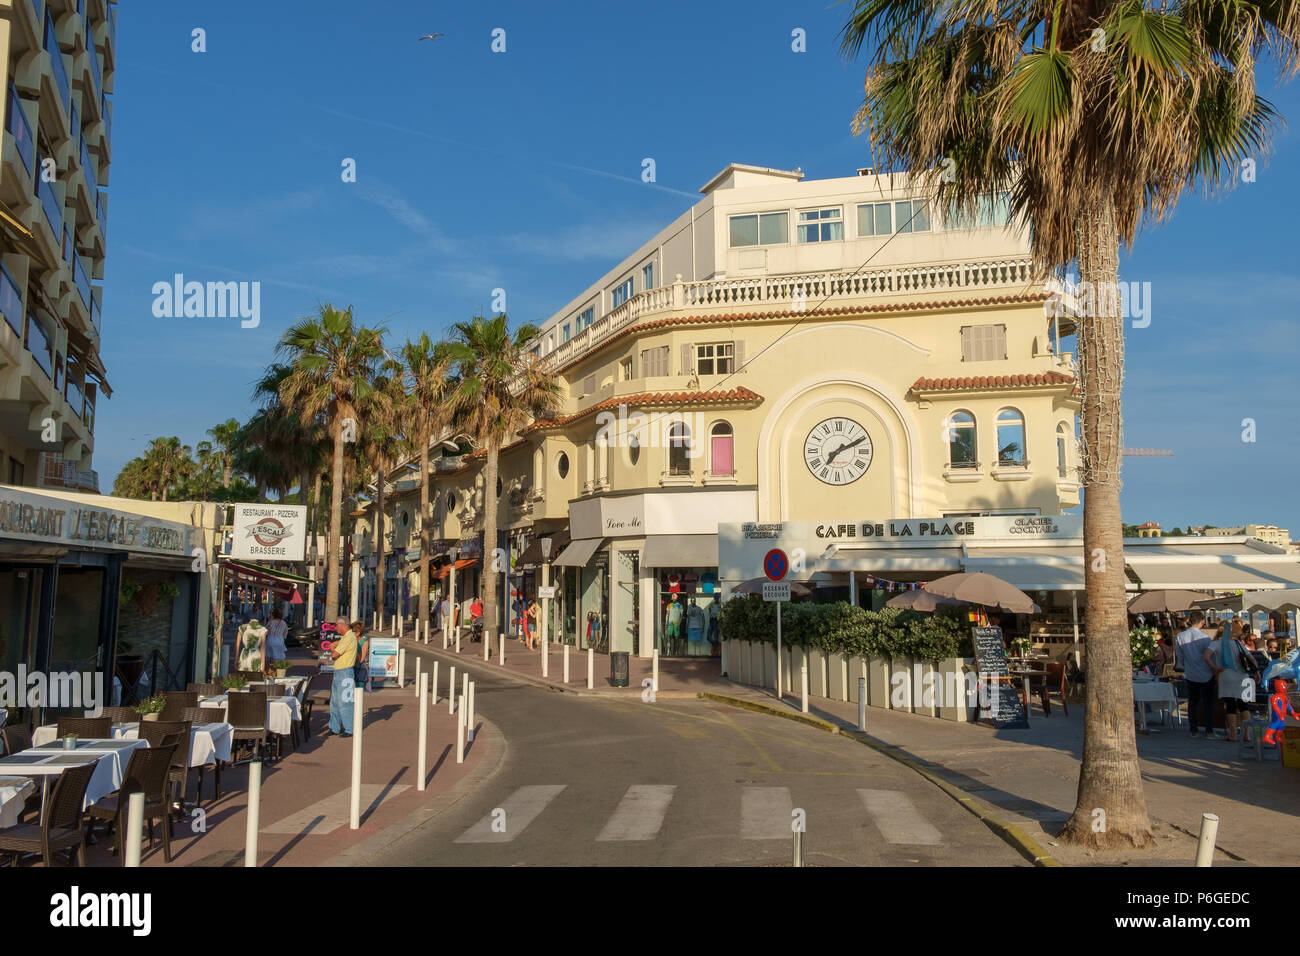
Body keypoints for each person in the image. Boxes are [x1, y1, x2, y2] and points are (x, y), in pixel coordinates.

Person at [1175, 611, 1217, 739]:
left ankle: (1193, 729)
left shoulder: (1180, 636)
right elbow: (1211, 657)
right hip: (1206, 673)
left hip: (1191, 673)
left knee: (1192, 702)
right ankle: (1209, 730)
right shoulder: (1205, 638)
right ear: (1201, 622)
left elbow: (1180, 656)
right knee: (1208, 703)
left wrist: (1186, 664)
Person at [326, 616, 356, 738]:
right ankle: (335, 727)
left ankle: (349, 728)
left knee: (345, 702)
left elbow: (334, 654)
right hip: (339, 671)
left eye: (336, 625)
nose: (335, 628)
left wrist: (333, 648)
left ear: (342, 625)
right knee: (335, 702)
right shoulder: (346, 637)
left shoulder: (348, 637)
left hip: (345, 672)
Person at [351, 620, 371, 693]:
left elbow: (361, 659)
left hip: (360, 668)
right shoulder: (350, 639)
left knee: (358, 690)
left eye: (352, 632)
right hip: (350, 667)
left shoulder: (364, 641)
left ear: (357, 633)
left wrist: (353, 648)